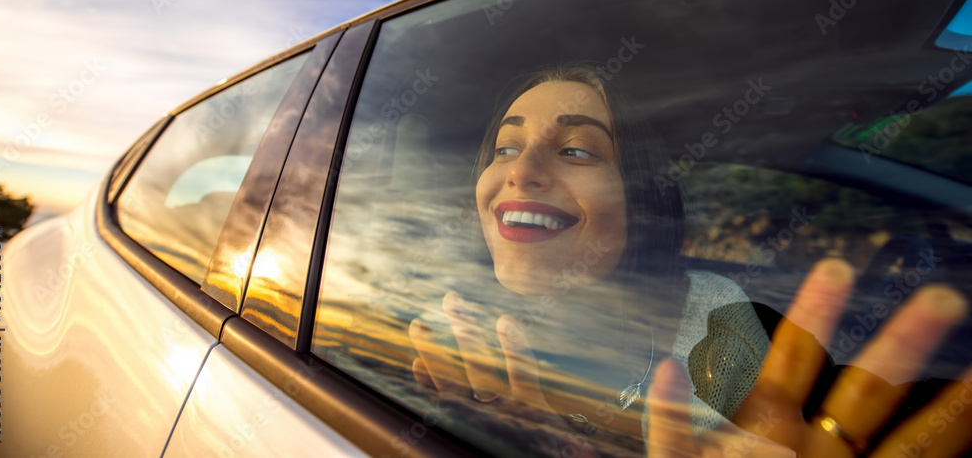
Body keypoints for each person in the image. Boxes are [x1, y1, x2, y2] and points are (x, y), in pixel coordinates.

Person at [408, 63, 972, 457]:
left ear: (642, 195)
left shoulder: (741, 330)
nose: (520, 169)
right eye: (505, 147)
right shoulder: (421, 346)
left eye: (576, 149)